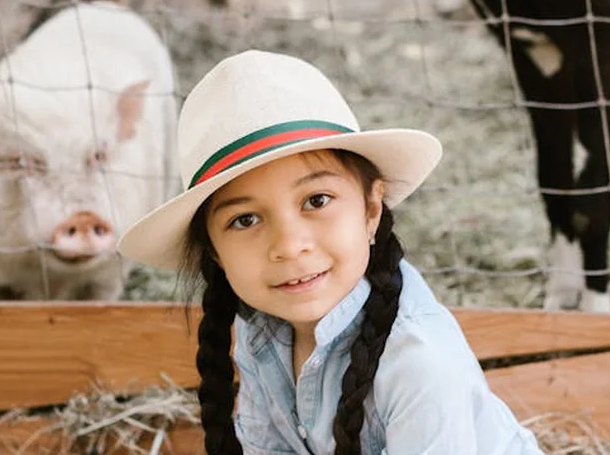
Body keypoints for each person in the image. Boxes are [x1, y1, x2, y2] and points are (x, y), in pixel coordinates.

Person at [118, 50, 544, 455]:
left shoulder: (419, 365)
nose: (288, 245)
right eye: (246, 220)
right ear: (214, 252)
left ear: (371, 209)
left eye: (316, 200)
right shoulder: (260, 325)